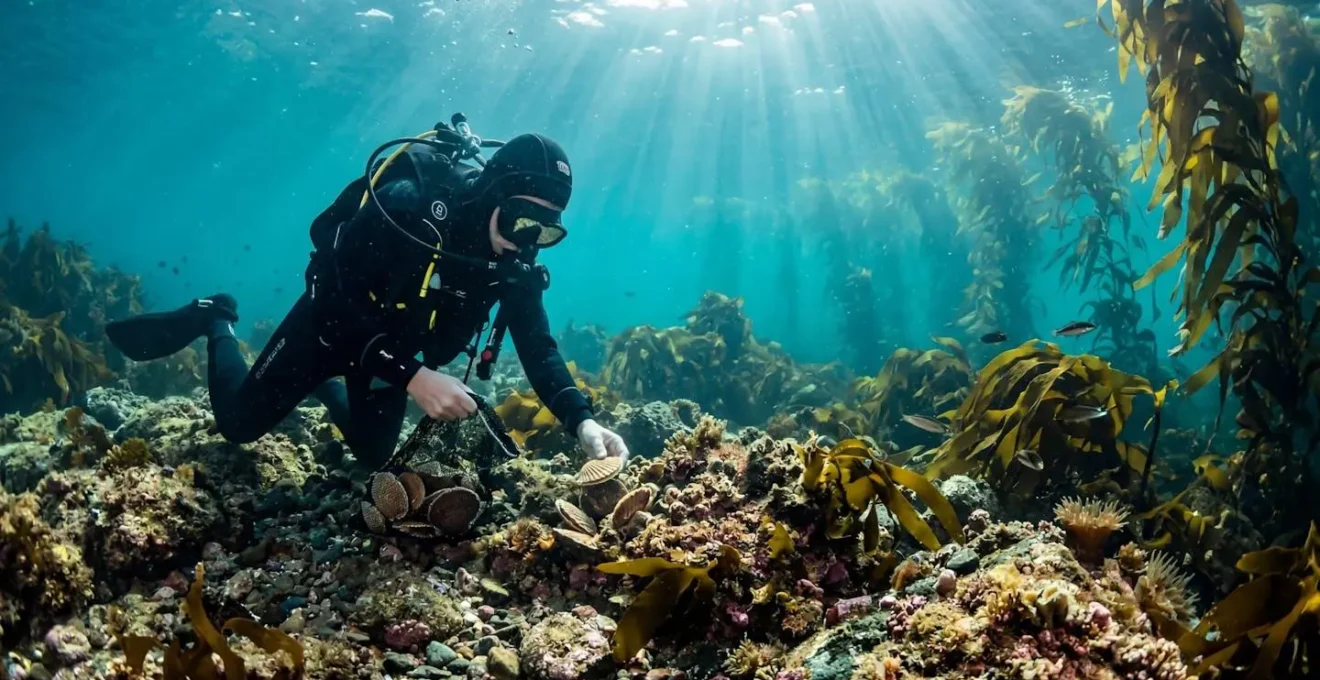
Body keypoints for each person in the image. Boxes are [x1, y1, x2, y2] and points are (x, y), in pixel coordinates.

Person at [105, 129, 630, 468]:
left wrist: (580, 419)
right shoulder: (409, 207)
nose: (527, 242)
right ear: (495, 193)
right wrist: (416, 378)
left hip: (391, 358)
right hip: (330, 327)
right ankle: (216, 319)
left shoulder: (510, 263)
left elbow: (537, 346)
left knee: (375, 458)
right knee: (239, 426)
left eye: (546, 231)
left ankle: (320, 388)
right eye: (521, 219)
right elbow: (330, 299)